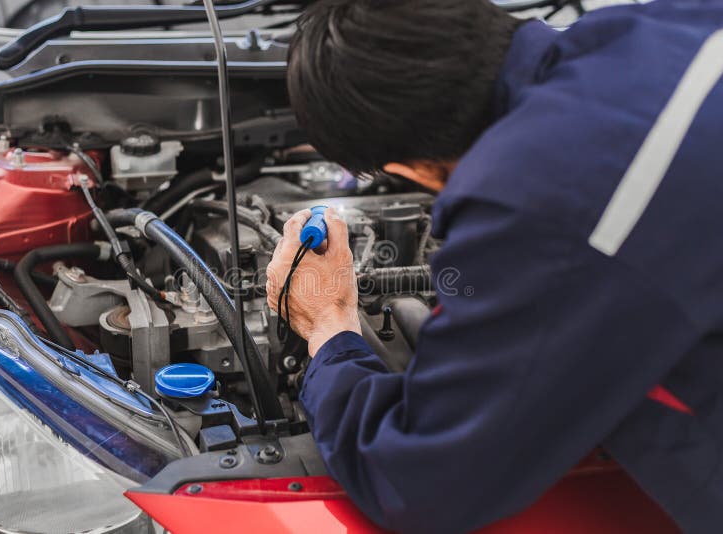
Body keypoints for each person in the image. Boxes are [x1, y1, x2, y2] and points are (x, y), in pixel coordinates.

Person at [265, 0, 723, 532]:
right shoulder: (672, 21)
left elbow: (422, 481)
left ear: (407, 169)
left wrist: (328, 324)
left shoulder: (542, 201)